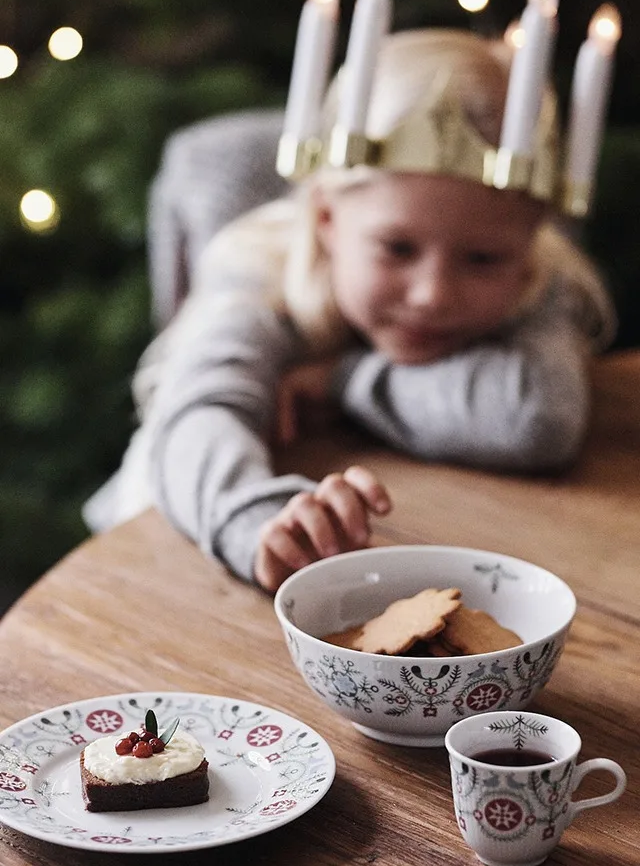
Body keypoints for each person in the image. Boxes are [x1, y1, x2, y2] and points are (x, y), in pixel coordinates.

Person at [84, 29, 616, 594]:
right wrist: (259, 519)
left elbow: (534, 416)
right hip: (159, 572)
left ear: (530, 242)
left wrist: (343, 380)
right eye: (398, 249)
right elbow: (195, 416)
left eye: (482, 259)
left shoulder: (539, 278)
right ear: (327, 219)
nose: (433, 294)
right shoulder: (258, 272)